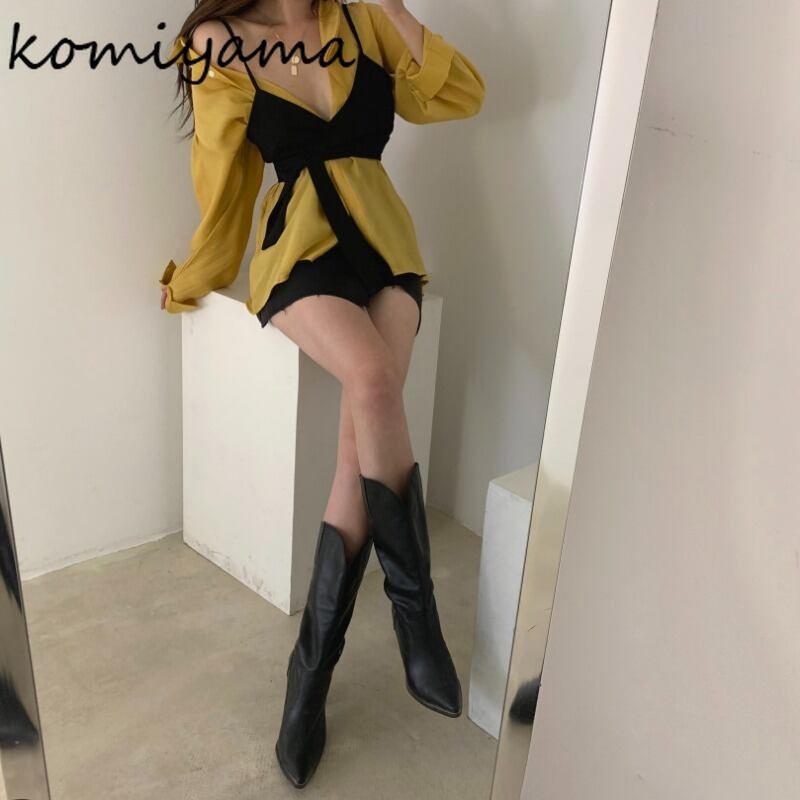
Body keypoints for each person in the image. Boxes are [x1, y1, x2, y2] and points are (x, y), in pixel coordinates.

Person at [159, 0, 485, 787]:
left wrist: (390, 5)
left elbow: (459, 94)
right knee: (372, 378)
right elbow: (223, 176)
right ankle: (416, 617)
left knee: (356, 450)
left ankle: (307, 686)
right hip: (299, 250)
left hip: (387, 247)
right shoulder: (218, 40)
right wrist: (199, 274)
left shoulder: (361, 19)